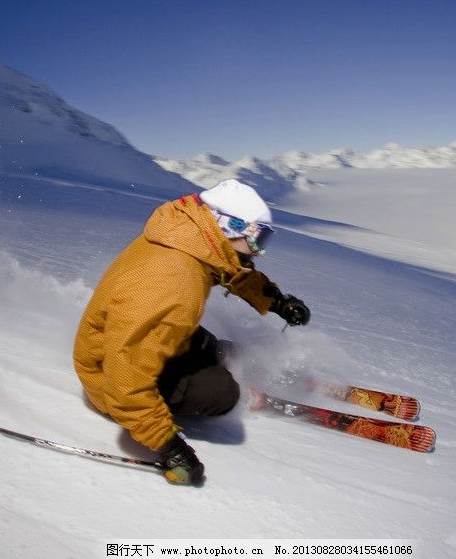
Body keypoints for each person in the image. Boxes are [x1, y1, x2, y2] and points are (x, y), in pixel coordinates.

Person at [73, 179, 310, 486]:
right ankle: (229, 393)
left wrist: (275, 301)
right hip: (107, 377)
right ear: (227, 225)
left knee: (223, 351)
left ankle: (214, 367)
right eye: (256, 237)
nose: (258, 250)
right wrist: (169, 448)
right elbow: (124, 380)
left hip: (126, 339)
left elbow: (225, 267)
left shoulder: (187, 235)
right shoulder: (174, 283)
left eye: (264, 239)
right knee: (224, 392)